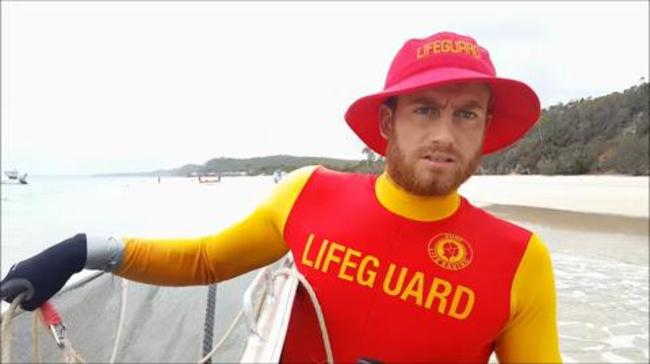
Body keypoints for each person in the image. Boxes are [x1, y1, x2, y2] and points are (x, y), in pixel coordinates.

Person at [1, 31, 560, 363]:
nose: (445, 133)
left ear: (486, 129)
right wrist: (85, 250)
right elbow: (205, 260)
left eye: (467, 114)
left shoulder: (519, 260)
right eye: (425, 109)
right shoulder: (308, 194)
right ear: (388, 121)